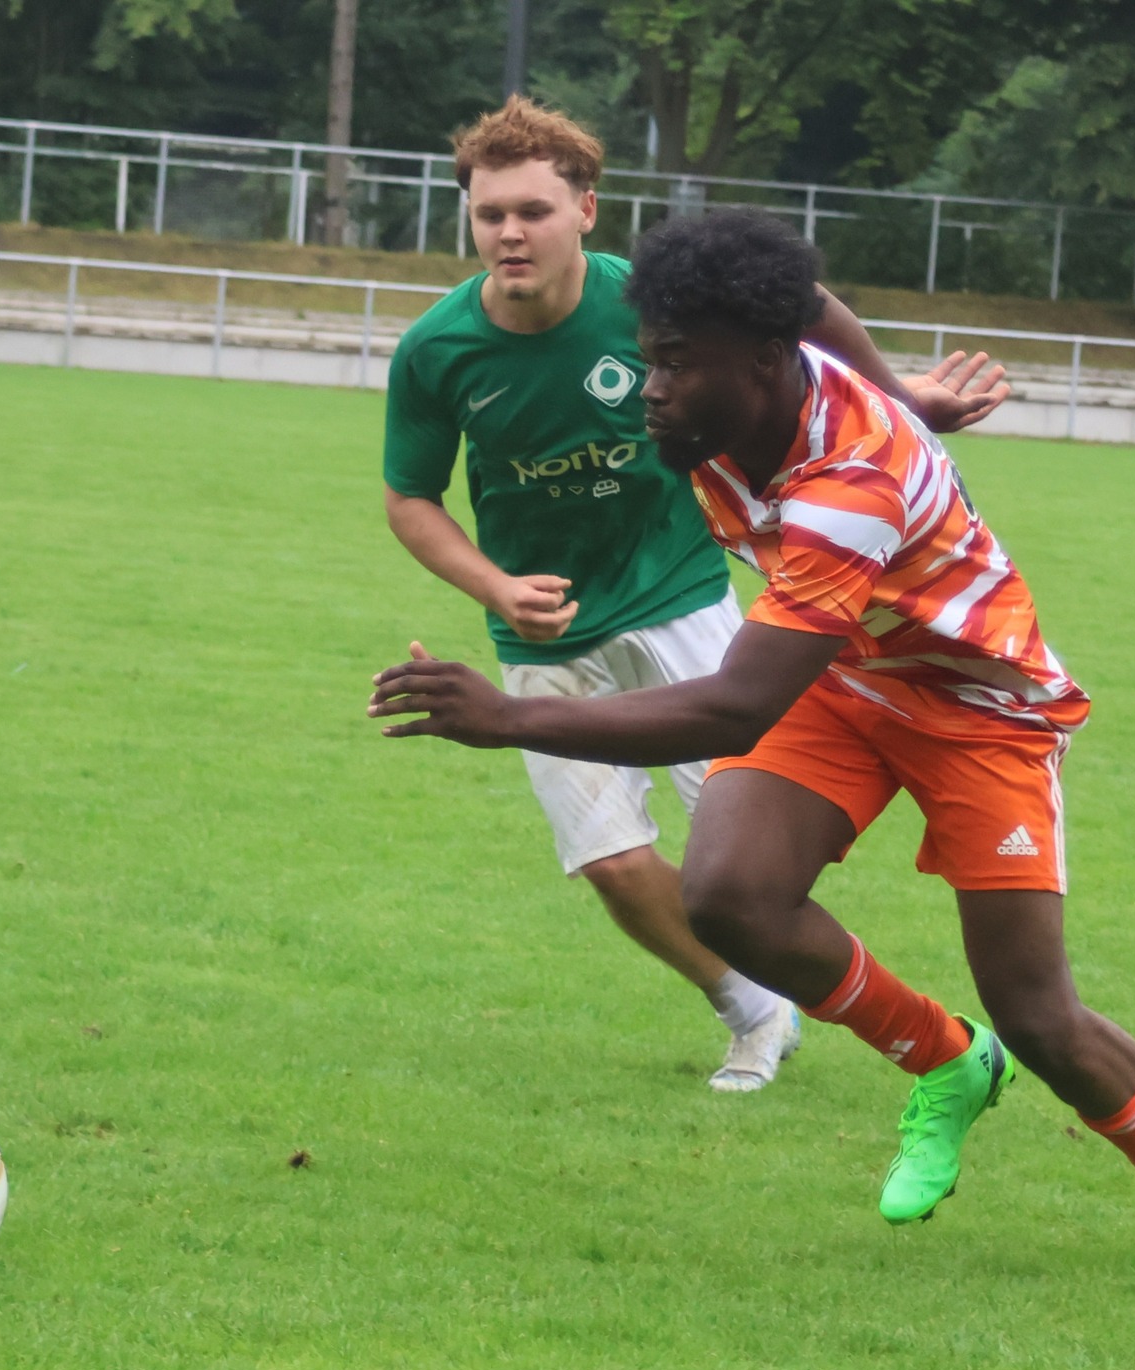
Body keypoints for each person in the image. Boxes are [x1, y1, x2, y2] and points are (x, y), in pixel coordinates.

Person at [368, 205, 1135, 1281]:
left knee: (1040, 1011)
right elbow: (809, 300)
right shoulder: (727, 397)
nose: (652, 389)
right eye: (651, 361)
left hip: (978, 709)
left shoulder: (850, 485)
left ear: (769, 364)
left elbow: (734, 705)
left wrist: (510, 718)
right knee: (728, 893)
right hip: (844, 678)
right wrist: (904, 386)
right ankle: (948, 1061)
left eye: (677, 366)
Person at [383, 96, 1009, 1095]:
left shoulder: (653, 302)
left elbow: (800, 303)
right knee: (611, 864)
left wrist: (900, 402)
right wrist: (496, 583)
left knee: (744, 850)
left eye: (534, 210)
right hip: (545, 636)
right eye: (491, 212)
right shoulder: (435, 350)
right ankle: (753, 1010)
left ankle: (909, 1031)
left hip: (685, 601)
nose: (510, 231)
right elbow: (409, 498)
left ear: (586, 210)